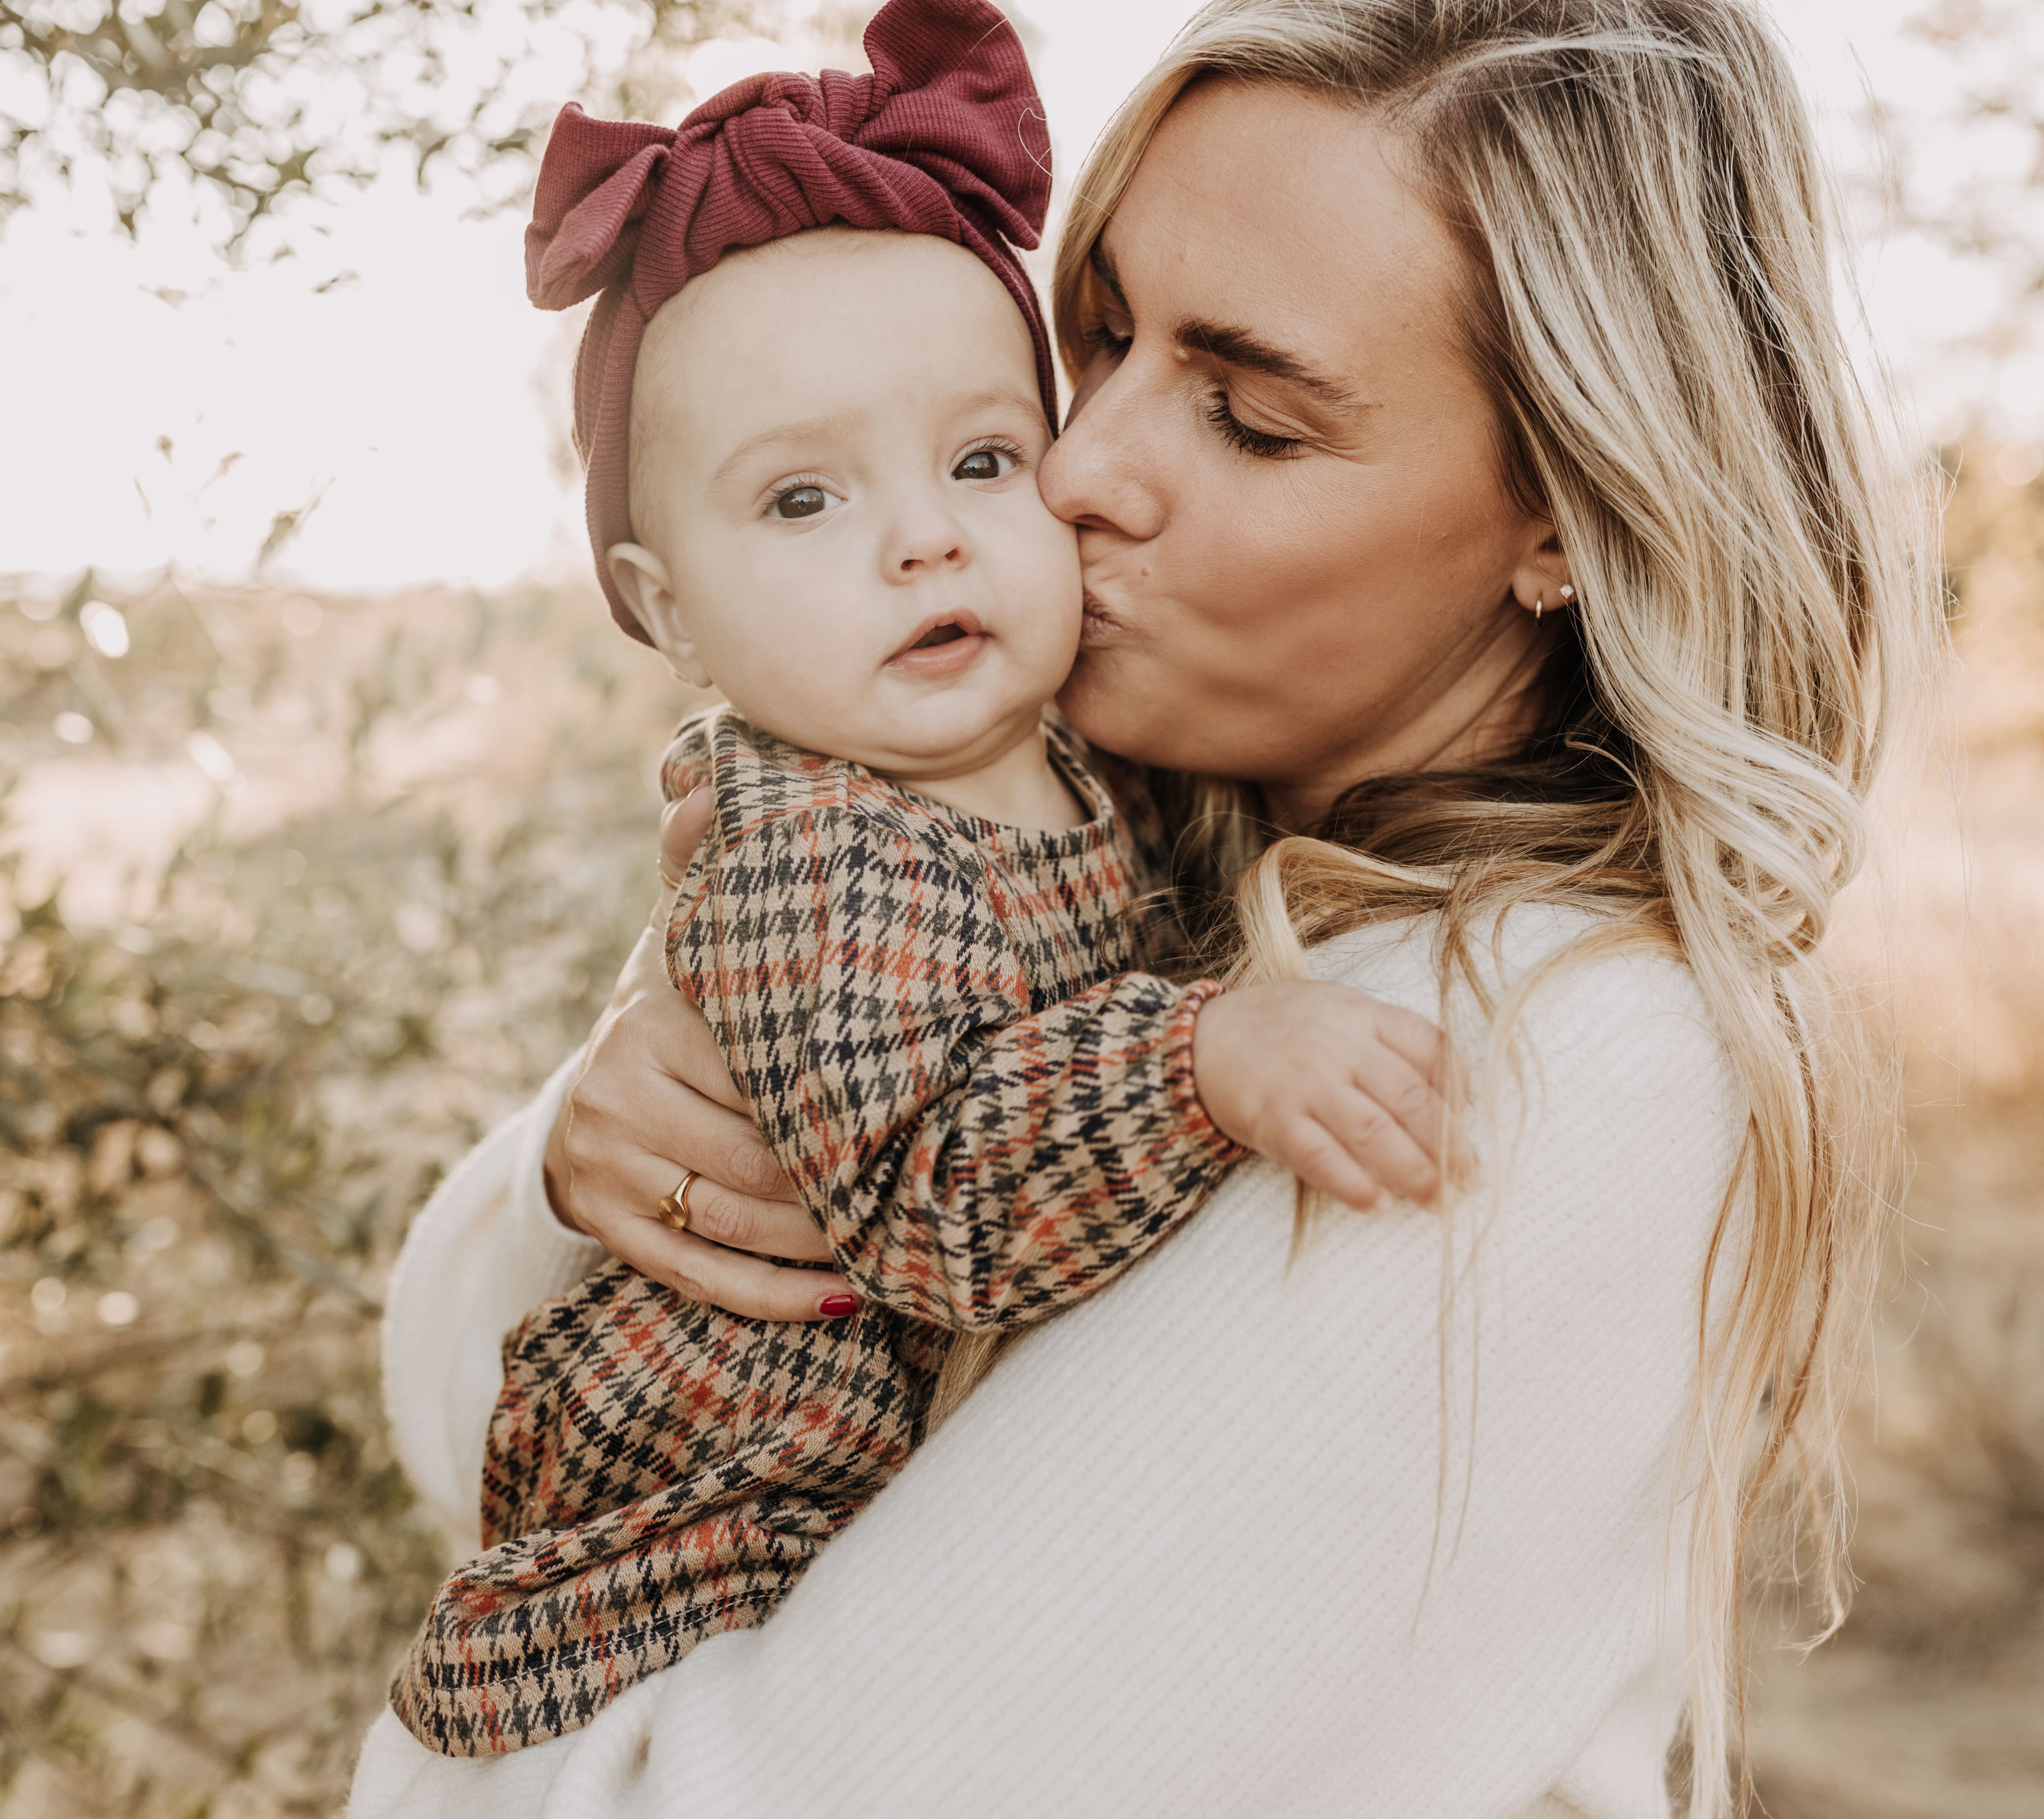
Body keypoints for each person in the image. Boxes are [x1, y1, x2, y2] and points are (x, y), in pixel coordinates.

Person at [351, 0, 1937, 1812]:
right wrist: (592, 1160)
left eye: (1249, 417)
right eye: (1090, 340)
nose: (1079, 466)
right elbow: (469, 1445)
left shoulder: (1536, 1054)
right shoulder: (1066, 847)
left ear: (1574, 512)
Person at [387, 3, 1457, 1756]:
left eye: (980, 459)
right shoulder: (818, 848)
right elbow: (934, 1198)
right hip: (730, 1524)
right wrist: (1203, 1060)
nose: (924, 536)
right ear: (664, 614)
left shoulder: (1097, 775)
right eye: (802, 501)